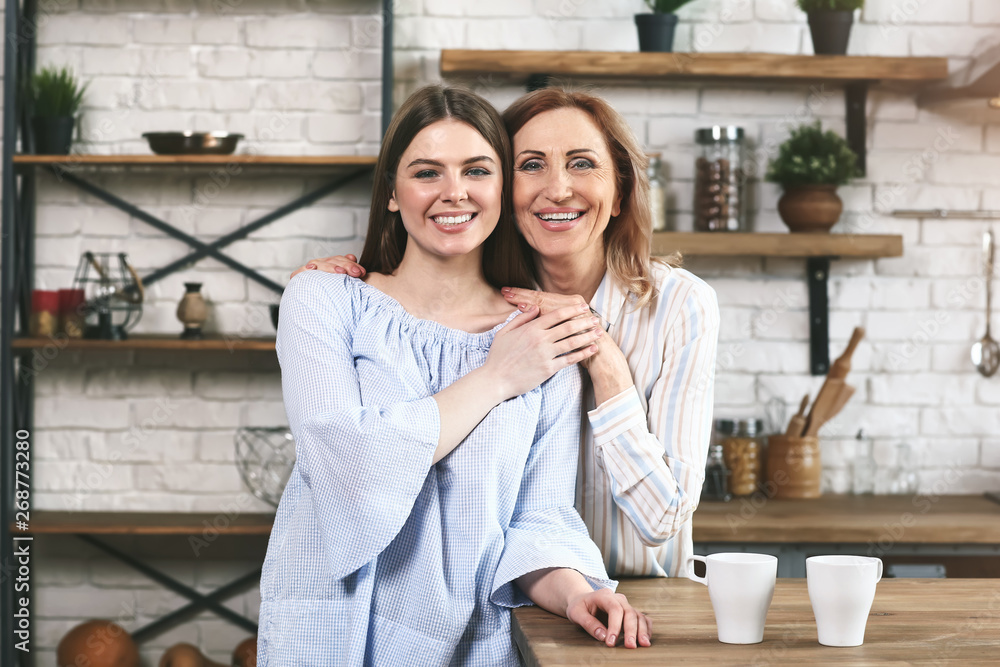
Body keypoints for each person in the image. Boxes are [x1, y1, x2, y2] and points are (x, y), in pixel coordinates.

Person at [259, 85, 651, 667]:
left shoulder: (540, 337)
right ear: (392, 191)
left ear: (502, 188)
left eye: (477, 170)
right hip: (331, 628)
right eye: (426, 172)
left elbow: (536, 518)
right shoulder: (323, 300)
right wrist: (494, 379)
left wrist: (578, 594)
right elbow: (348, 466)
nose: (454, 193)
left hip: (472, 642)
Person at [294, 87, 721, 582]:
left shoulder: (679, 305)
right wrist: (337, 286)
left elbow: (662, 520)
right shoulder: (487, 318)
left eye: (582, 164)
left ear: (620, 191)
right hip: (510, 601)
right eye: (531, 164)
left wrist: (602, 357)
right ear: (501, 187)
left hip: (643, 596)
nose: (558, 188)